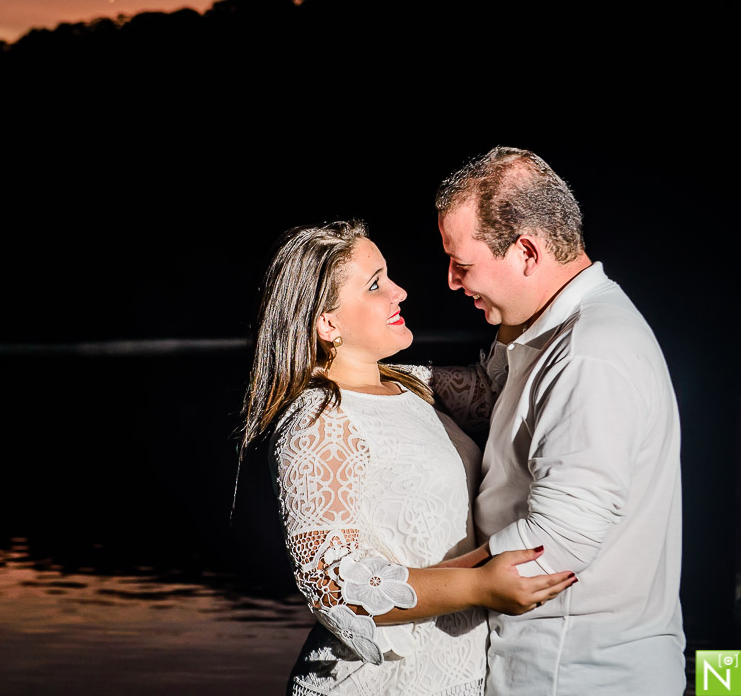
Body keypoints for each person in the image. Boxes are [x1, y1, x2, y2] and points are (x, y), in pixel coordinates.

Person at [239, 220, 576, 696]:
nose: (399, 291)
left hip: (460, 672)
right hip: (376, 683)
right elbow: (331, 585)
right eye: (375, 284)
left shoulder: (411, 384)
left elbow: (503, 385)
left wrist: (509, 278)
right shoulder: (319, 419)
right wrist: (481, 585)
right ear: (328, 322)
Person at [433, 146, 685, 695]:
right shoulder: (550, 331)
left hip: (576, 675)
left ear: (526, 251)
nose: (453, 281)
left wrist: (421, 591)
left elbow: (558, 540)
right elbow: (488, 395)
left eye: (464, 264)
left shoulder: (591, 351)